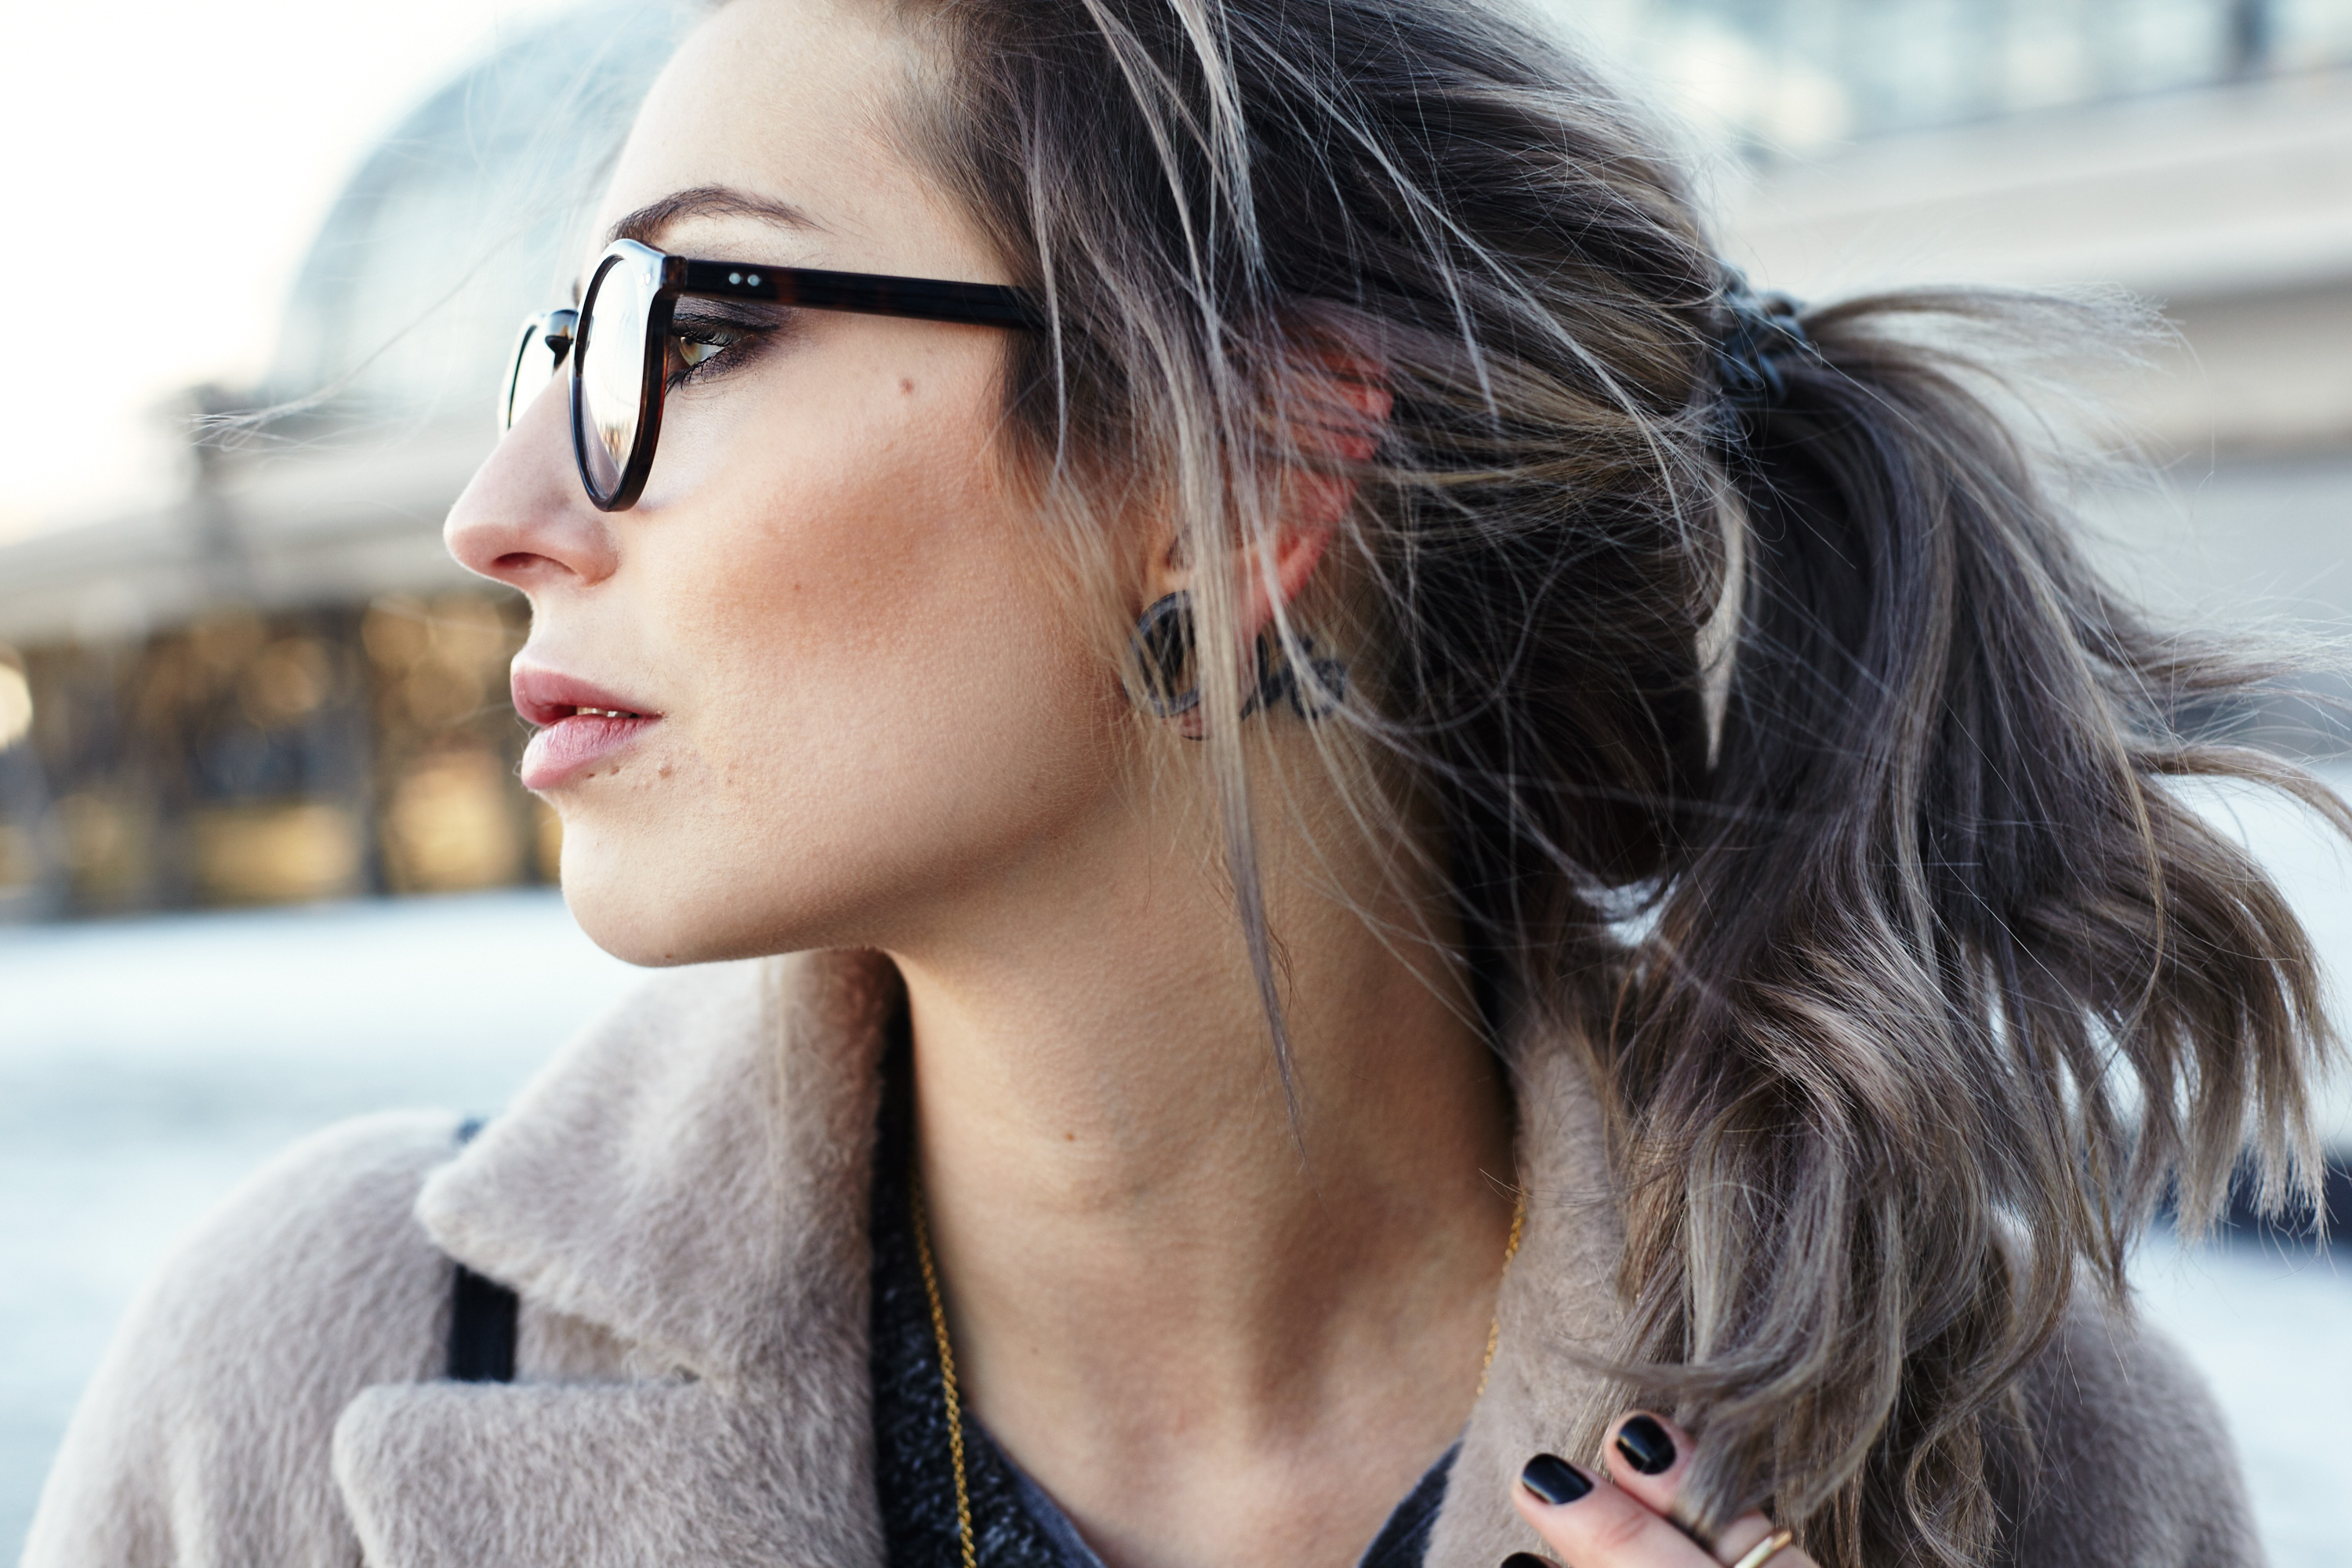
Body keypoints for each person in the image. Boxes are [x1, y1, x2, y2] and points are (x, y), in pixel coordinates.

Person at [24, 0, 2343, 1563]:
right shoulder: (303, 1380)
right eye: (559, 344)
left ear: (1242, 482)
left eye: (689, 327)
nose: (499, 509)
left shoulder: (2019, 1461)